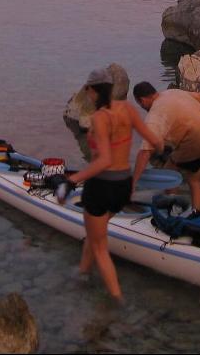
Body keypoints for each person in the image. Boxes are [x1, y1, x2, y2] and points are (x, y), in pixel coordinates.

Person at [58, 67, 163, 300]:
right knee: (94, 233)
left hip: (101, 188)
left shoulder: (99, 118)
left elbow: (104, 160)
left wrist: (71, 180)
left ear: (92, 91)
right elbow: (154, 139)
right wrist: (164, 152)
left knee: (100, 247)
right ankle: (83, 272)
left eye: (87, 89)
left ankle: (117, 300)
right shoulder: (128, 109)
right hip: (123, 187)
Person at [131, 82, 200, 213]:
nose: (142, 107)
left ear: (142, 99)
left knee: (170, 170)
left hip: (197, 138)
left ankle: (173, 210)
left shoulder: (155, 114)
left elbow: (145, 153)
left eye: (140, 104)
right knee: (194, 178)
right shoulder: (173, 92)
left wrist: (133, 183)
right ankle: (197, 214)